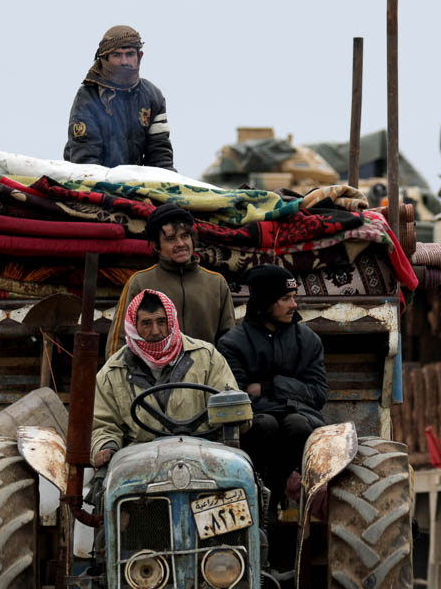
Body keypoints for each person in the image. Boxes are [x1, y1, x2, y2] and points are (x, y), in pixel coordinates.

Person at [90, 289, 239, 468]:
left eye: (161, 322)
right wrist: (107, 446)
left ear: (171, 320)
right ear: (133, 326)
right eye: (146, 323)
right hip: (140, 460)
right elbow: (103, 425)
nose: (155, 331)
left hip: (204, 455)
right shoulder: (113, 371)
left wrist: (233, 418)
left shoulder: (208, 358)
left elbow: (232, 408)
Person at [216, 265, 328, 503]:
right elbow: (237, 397)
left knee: (296, 424)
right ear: (266, 301)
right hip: (257, 420)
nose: (293, 305)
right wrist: (292, 392)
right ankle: (256, 495)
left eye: (294, 298)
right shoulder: (232, 344)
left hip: (299, 417)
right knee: (265, 425)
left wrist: (270, 386)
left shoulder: (308, 340)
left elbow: (318, 394)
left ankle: (290, 491)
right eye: (285, 298)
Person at [110, 203, 235, 351]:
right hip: (153, 373)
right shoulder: (140, 282)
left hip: (205, 372)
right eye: (171, 239)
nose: (181, 244)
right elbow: (119, 342)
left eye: (185, 236)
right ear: (157, 246)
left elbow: (229, 343)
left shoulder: (216, 283)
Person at [63, 25, 174, 170]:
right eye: (116, 55)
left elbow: (160, 156)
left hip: (133, 184)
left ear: (139, 57)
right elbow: (85, 160)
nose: (124, 61)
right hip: (91, 182)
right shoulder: (88, 97)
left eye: (129, 54)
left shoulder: (152, 96)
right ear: (105, 59)